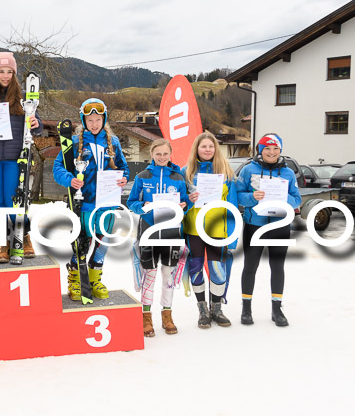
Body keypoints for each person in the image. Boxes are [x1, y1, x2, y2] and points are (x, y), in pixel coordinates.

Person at [53, 98, 128, 300]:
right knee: (81, 243)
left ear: (104, 120)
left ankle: (95, 279)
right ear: (83, 121)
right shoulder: (75, 143)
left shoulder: (114, 142)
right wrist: (70, 179)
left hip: (107, 204)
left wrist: (124, 178)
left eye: (98, 119)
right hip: (83, 204)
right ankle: (76, 280)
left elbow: (124, 168)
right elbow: (57, 168)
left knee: (103, 243)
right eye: (90, 120)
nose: (94, 124)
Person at [0, 52, 43, 261]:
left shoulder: (24, 99)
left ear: (14, 74)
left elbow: (37, 128)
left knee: (16, 200)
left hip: (15, 158)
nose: (5, 76)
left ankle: (24, 237)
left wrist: (36, 124)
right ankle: (4, 243)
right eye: (1, 71)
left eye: (9, 72)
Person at [235, 134, 301, 327]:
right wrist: (252, 197)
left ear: (280, 150)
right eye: (267, 149)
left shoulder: (288, 173)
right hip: (255, 225)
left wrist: (284, 198)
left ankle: (277, 309)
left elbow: (297, 199)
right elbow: (238, 196)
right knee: (250, 266)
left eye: (275, 149)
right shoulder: (248, 170)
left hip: (280, 225)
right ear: (260, 150)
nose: (271, 152)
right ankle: (246, 309)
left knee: (277, 267)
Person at [128, 139, 190, 337]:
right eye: (158, 154)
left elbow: (185, 201)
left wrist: (184, 206)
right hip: (148, 232)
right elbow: (131, 202)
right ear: (152, 154)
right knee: (150, 274)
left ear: (170, 154)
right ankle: (146, 316)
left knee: (168, 274)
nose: (162, 157)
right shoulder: (142, 176)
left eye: (165, 154)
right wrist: (142, 207)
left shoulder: (178, 177)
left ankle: (167, 315)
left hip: (172, 233)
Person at [182, 132, 237, 328]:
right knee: (196, 269)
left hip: (217, 229)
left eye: (211, 147)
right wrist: (189, 202)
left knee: (217, 270)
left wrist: (232, 233)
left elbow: (233, 204)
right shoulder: (186, 172)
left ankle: (217, 308)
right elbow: (180, 203)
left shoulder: (226, 172)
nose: (207, 150)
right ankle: (202, 309)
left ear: (216, 149)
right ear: (196, 148)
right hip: (194, 230)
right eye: (203, 146)